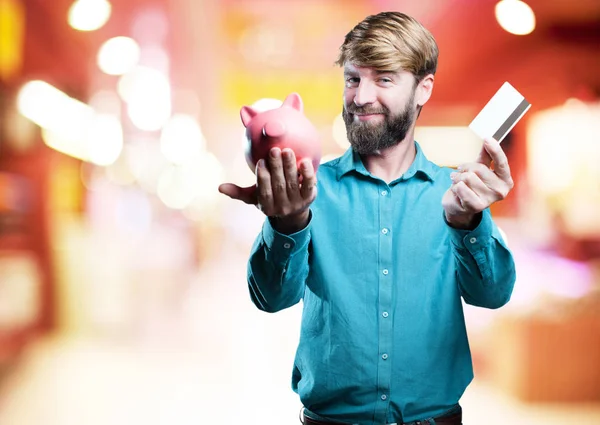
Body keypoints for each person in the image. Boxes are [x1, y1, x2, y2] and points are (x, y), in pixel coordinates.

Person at [219, 11, 516, 425]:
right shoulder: (310, 189)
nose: (360, 97)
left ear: (422, 88)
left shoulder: (456, 194)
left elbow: (493, 294)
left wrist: (469, 223)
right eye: (353, 78)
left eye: (385, 79)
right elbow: (271, 299)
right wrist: (287, 224)